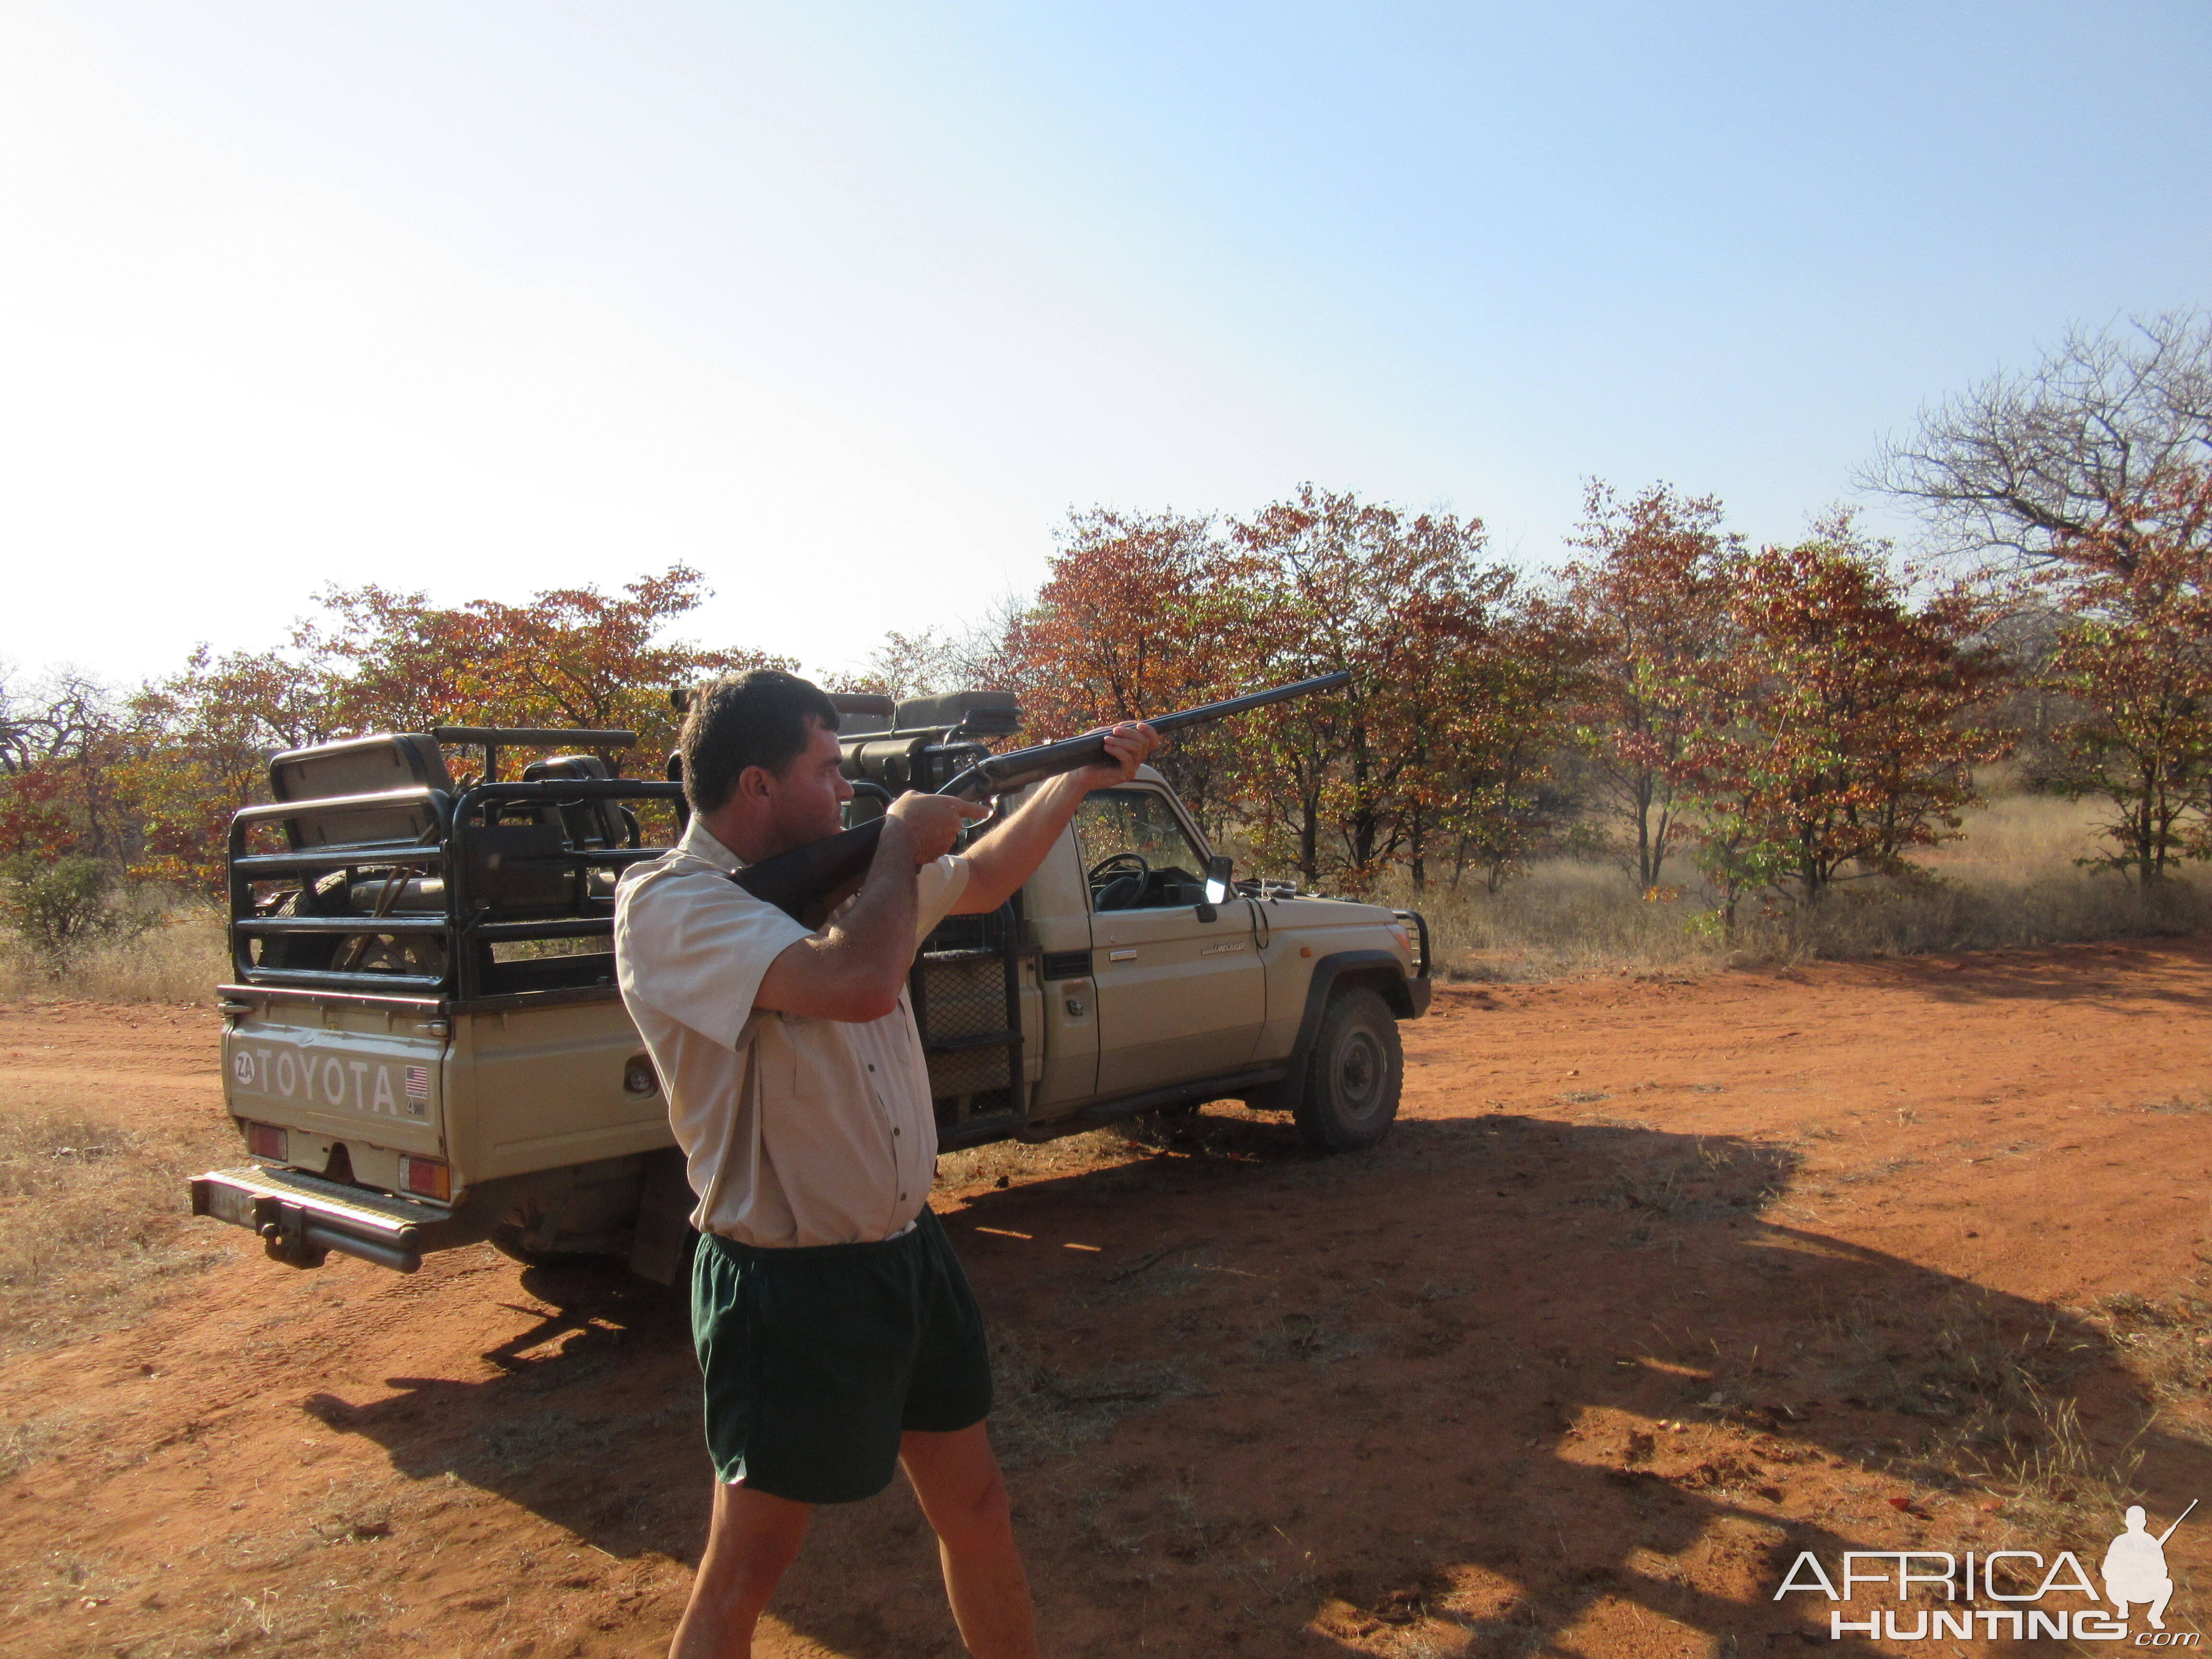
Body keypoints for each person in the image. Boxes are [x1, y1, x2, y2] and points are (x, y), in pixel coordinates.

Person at [612, 669, 1158, 1659]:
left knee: (979, 1503)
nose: (844, 789)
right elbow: (859, 982)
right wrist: (900, 848)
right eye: (825, 769)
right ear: (757, 788)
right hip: (788, 1281)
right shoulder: (669, 906)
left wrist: (1075, 779)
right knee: (749, 1565)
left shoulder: (848, 875)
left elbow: (987, 876)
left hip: (906, 1255)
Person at [2101, 1505, 2175, 1630]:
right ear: (2127, 1523)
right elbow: (2107, 1571)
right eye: (2133, 1521)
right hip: (2123, 1589)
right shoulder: (2119, 1541)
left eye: (2139, 1521)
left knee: (2167, 1584)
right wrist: (2126, 1571)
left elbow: (2163, 1572)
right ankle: (2123, 1606)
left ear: (2144, 1523)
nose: (2136, 1524)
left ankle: (2155, 1616)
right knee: (2110, 1583)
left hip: (2145, 1589)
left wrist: (2148, 1570)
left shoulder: (2151, 1542)